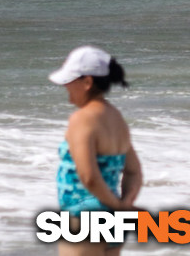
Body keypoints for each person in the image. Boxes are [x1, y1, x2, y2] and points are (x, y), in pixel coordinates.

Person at [50, 46, 143, 255]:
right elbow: (133, 171)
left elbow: (89, 177)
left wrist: (116, 206)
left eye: (68, 81)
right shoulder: (117, 118)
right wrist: (124, 203)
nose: (65, 87)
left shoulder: (82, 119)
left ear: (87, 82)